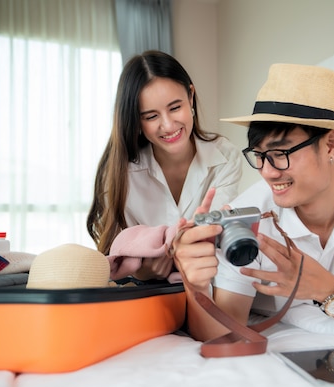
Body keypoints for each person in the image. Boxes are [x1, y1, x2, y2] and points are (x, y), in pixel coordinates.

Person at [172, 64, 334, 342]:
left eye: (280, 153)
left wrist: (327, 291)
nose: (267, 171)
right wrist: (195, 287)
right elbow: (222, 334)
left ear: (331, 145)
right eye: (258, 155)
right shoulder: (247, 217)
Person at [87, 50, 243, 281]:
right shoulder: (120, 174)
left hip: (208, 285)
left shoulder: (225, 156)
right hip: (144, 295)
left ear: (190, 96)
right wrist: (140, 273)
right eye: (151, 117)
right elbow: (118, 255)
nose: (168, 126)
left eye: (174, 108)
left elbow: (213, 238)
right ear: (136, 121)